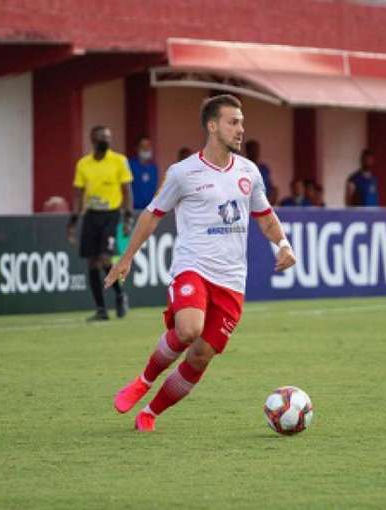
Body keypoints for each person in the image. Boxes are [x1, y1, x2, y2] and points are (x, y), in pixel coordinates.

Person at [104, 94, 296, 432]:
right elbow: (152, 215)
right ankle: (143, 380)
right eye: (232, 122)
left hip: (232, 281)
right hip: (193, 267)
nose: (240, 129)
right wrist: (127, 257)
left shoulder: (249, 172)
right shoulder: (183, 173)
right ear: (212, 125)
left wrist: (283, 244)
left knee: (200, 355)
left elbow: (265, 217)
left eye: (241, 122)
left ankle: (150, 412)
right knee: (189, 329)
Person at [68, 125, 133, 321]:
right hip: (91, 215)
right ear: (93, 140)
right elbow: (78, 194)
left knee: (105, 258)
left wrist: (128, 217)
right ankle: (101, 309)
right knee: (92, 262)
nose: (107, 140)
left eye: (108, 137)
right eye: (102, 137)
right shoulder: (83, 164)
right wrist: (73, 221)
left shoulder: (119, 161)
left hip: (111, 215)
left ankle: (120, 295)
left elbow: (127, 190)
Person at [128, 135, 159, 210]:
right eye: (142, 146)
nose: (146, 148)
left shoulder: (153, 168)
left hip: (150, 210)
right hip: (134, 209)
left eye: (148, 146)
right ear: (136, 148)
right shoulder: (129, 165)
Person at [245, 139, 277, 205]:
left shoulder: (264, 168)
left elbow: (270, 186)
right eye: (253, 150)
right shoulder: (242, 167)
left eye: (257, 150)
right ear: (247, 151)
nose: (256, 152)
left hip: (264, 201)